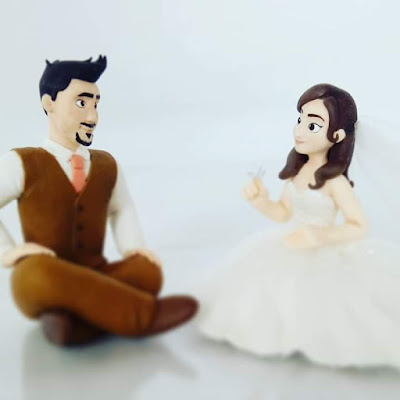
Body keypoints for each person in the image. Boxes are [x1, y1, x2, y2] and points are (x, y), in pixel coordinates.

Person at [198, 83, 400, 368]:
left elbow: (358, 225)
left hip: (323, 248)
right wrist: (260, 202)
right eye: (300, 120)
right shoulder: (298, 172)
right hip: (292, 242)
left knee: (326, 302)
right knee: (268, 293)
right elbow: (283, 213)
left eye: (313, 125)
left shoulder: (335, 183)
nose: (300, 130)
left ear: (337, 136)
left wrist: (319, 236)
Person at [0, 55, 197, 346]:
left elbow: (121, 208)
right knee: (36, 272)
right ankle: (142, 315)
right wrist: (8, 251)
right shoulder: (21, 162)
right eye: (81, 103)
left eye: (95, 104)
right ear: (49, 103)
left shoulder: (106, 165)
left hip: (97, 270)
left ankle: (71, 327)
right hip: (44, 275)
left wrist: (133, 248)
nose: (92, 117)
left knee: (148, 273)